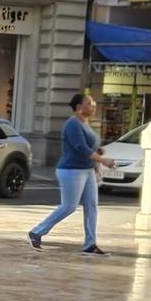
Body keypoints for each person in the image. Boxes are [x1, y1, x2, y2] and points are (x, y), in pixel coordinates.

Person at [28, 93, 116, 256]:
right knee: (69, 206)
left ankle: (90, 244)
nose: (93, 106)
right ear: (79, 107)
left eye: (93, 103)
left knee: (91, 206)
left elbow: (89, 148)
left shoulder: (86, 123)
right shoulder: (72, 124)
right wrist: (103, 160)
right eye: (89, 103)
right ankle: (37, 232)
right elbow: (80, 148)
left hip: (87, 170)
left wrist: (97, 157)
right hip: (71, 170)